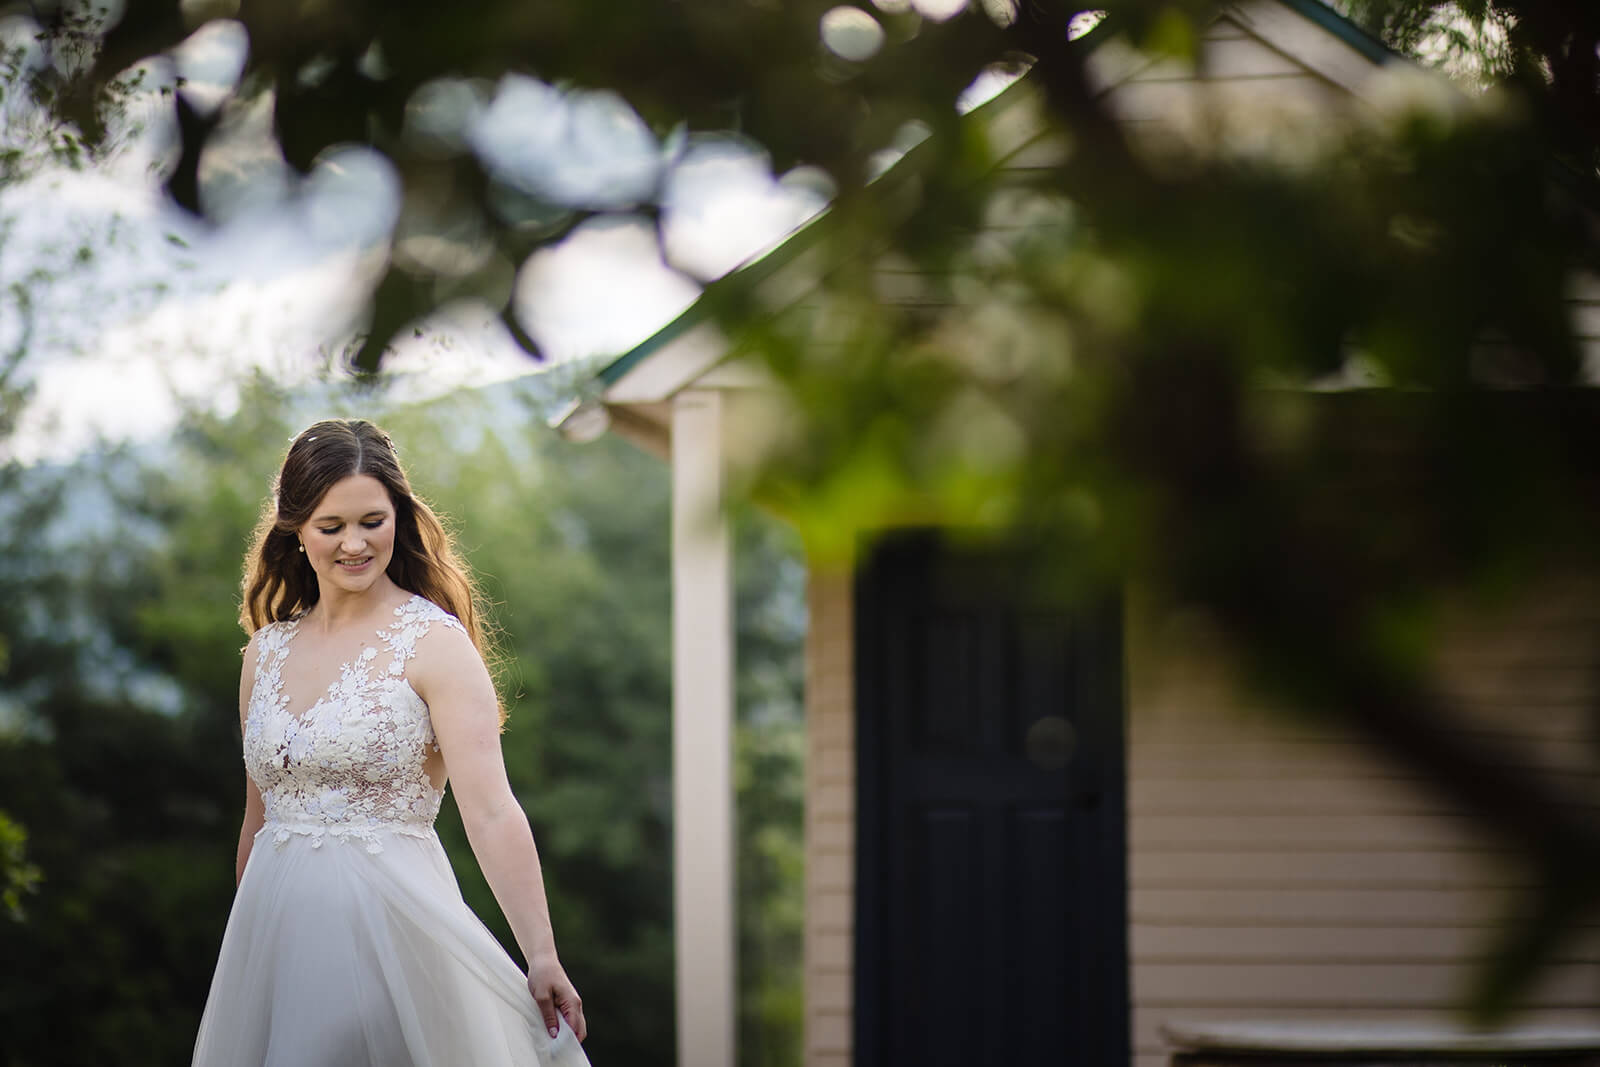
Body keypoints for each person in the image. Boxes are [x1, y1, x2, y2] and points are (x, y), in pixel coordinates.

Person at [192, 418, 590, 1067]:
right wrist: (249, 955)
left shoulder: (434, 643)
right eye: (332, 526)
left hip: (392, 939)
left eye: (372, 520)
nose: (354, 543)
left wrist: (541, 952)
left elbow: (491, 811)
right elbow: (257, 819)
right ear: (295, 527)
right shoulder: (264, 653)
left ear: (399, 517)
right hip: (278, 941)